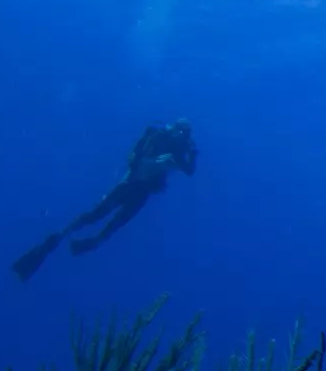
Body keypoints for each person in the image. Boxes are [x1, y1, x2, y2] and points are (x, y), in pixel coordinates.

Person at [12, 119, 197, 280]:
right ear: (175, 129)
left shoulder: (176, 151)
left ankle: (89, 242)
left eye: (185, 135)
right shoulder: (156, 136)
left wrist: (192, 157)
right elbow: (135, 159)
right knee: (96, 216)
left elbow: (188, 170)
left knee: (116, 223)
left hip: (141, 193)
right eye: (181, 133)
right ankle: (57, 239)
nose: (182, 138)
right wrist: (156, 163)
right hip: (130, 186)